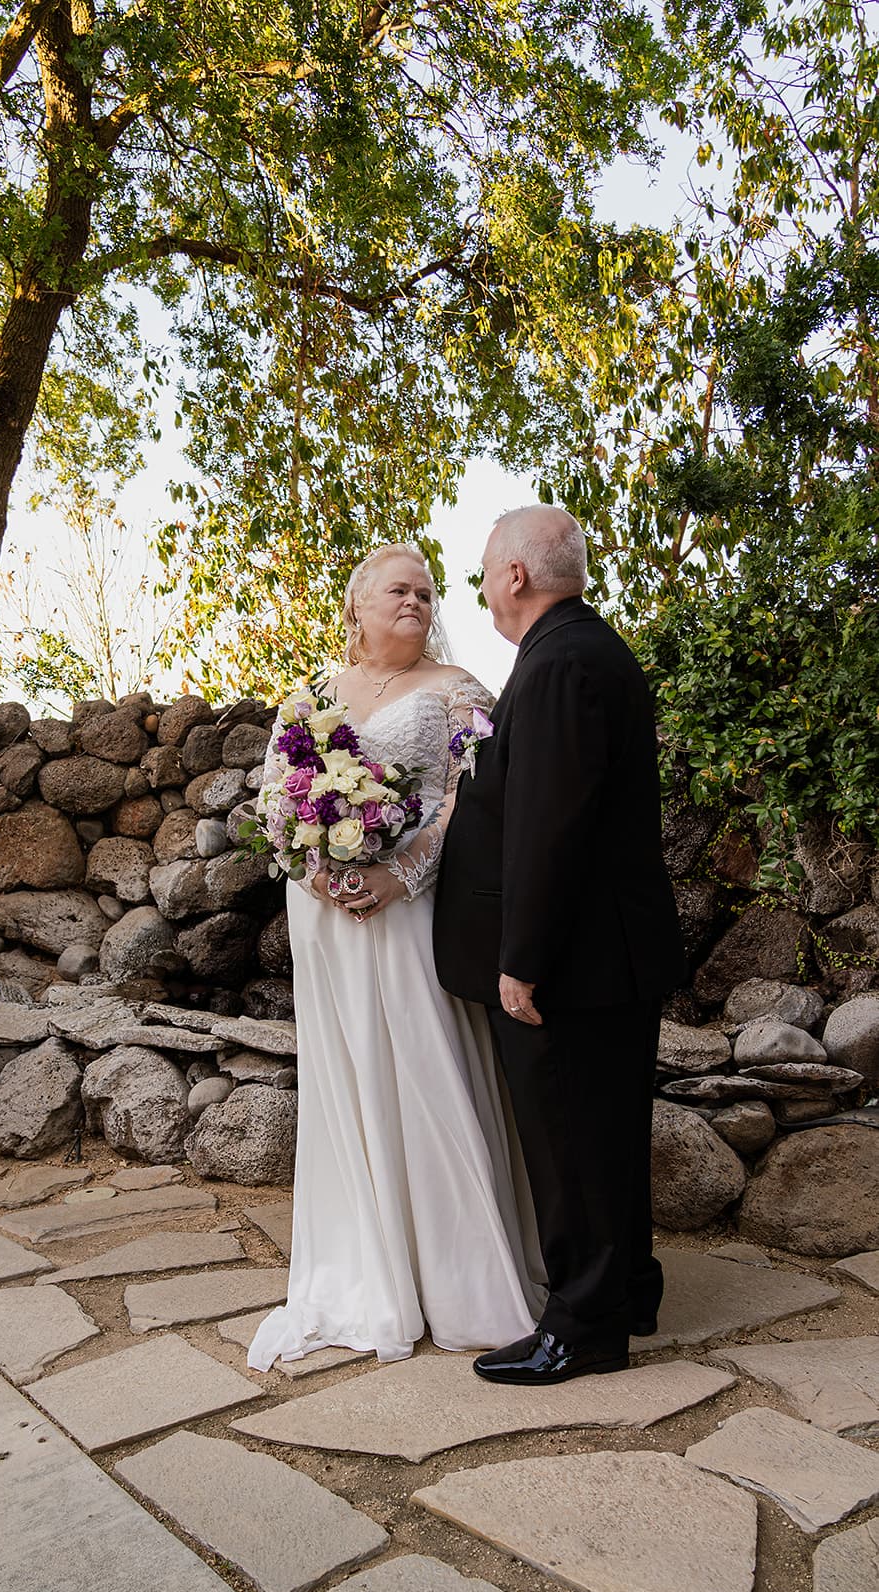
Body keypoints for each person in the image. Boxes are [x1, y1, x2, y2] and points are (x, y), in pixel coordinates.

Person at [247, 543, 546, 1371]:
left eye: (424, 591)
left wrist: (400, 873)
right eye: (397, 590)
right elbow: (276, 799)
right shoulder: (309, 694)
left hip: (411, 910)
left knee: (424, 1066)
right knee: (348, 1080)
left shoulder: (458, 693)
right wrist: (318, 872)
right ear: (357, 606)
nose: (414, 601)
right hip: (323, 918)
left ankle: (460, 1280)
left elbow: (471, 800)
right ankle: (364, 1269)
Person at [433, 505, 684, 1386]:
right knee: (605, 1134)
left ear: (514, 576)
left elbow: (549, 827)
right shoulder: (584, 651)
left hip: (570, 962)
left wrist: (520, 959)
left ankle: (581, 1327)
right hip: (602, 953)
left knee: (569, 1141)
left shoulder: (559, 665)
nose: (482, 587)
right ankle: (629, 1290)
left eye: (483, 570)